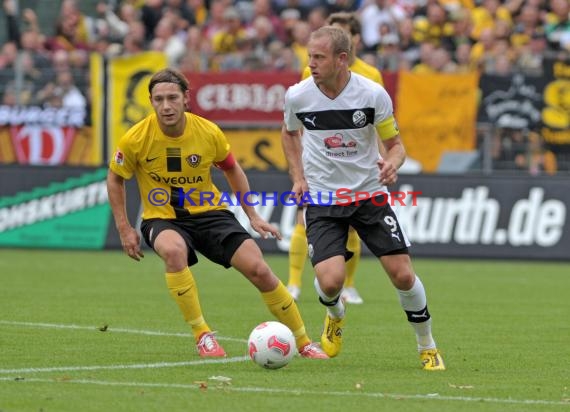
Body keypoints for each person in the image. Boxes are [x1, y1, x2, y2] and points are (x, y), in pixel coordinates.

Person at [107, 68, 328, 360]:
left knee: (259, 270)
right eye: (159, 99)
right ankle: (202, 335)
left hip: (210, 213)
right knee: (173, 252)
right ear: (151, 101)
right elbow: (115, 177)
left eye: (172, 97)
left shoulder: (208, 132)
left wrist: (253, 215)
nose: (166, 106)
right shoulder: (135, 138)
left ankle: (303, 342)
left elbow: (232, 168)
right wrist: (124, 227)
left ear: (186, 98)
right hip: (162, 218)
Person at [281, 26, 445, 370]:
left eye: (318, 58)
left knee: (402, 275)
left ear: (342, 59)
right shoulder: (298, 96)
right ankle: (334, 314)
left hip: (369, 195)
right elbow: (289, 132)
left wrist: (392, 164)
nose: (310, 64)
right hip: (324, 200)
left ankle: (427, 345)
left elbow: (397, 146)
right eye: (309, 56)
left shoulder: (372, 95)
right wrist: (298, 177)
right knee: (330, 282)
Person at [287, 12, 384, 304]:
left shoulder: (371, 76)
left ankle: (349, 284)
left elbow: (379, 122)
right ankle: (293, 282)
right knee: (304, 219)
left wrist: (383, 158)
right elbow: (300, 117)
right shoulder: (311, 73)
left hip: (356, 164)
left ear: (354, 39)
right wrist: (300, 167)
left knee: (352, 224)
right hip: (318, 161)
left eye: (343, 33)